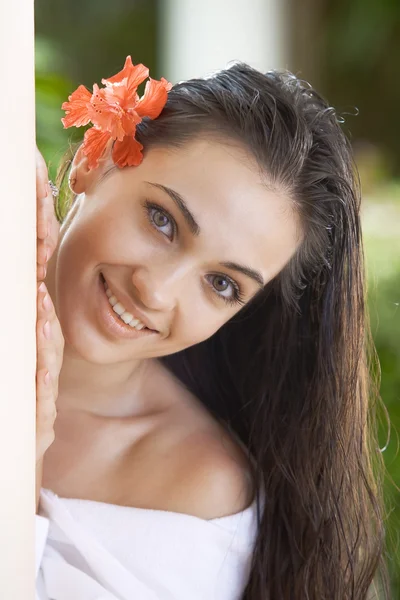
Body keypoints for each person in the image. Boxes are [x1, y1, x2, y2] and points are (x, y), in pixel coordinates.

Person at [35, 58, 391, 599]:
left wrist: (20, 455)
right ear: (97, 157)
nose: (157, 292)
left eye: (222, 284)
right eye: (162, 221)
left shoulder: (198, 496)